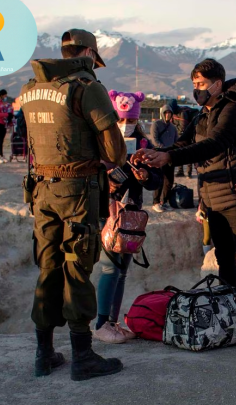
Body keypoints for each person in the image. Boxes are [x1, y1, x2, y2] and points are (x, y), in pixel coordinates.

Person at [20, 28, 127, 381]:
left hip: (41, 191)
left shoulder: (31, 89)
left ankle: (44, 355)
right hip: (78, 191)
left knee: (48, 267)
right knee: (77, 267)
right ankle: (83, 357)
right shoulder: (86, 87)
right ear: (88, 53)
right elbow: (115, 152)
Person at [134, 59, 236, 336]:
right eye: (194, 84)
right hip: (212, 194)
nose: (197, 89)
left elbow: (213, 144)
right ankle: (231, 314)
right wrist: (156, 154)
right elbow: (185, 143)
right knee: (224, 256)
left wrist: (170, 157)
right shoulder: (201, 115)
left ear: (217, 84)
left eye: (202, 84)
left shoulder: (233, 111)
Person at [95, 92, 162, 343]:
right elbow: (92, 177)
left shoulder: (144, 144)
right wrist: (109, 177)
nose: (126, 125)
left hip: (131, 216)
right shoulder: (102, 144)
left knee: (122, 271)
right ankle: (101, 323)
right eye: (121, 120)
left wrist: (146, 175)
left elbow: (157, 180)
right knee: (110, 267)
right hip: (109, 213)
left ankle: (111, 322)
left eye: (131, 120)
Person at [150, 104, 178, 212]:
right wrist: (164, 148)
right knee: (160, 179)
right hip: (159, 155)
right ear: (162, 114)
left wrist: (174, 151)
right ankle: (155, 202)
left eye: (169, 113)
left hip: (170, 156)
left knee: (169, 180)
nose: (167, 115)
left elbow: (176, 141)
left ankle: (164, 201)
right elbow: (154, 140)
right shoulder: (156, 124)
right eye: (166, 113)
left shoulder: (173, 127)